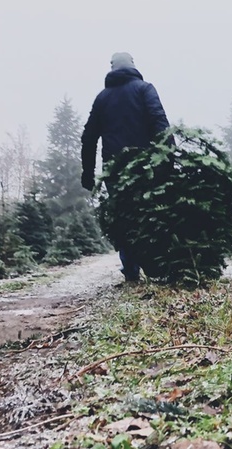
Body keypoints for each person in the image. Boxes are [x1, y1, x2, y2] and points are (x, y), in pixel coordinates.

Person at [81, 52, 171, 282]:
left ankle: (131, 270)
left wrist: (88, 173)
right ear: (132, 66)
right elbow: (160, 123)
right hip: (146, 166)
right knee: (149, 213)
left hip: (115, 170)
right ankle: (155, 268)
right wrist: (168, 158)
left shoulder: (102, 98)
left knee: (123, 216)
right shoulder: (145, 89)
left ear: (112, 68)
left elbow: (89, 138)